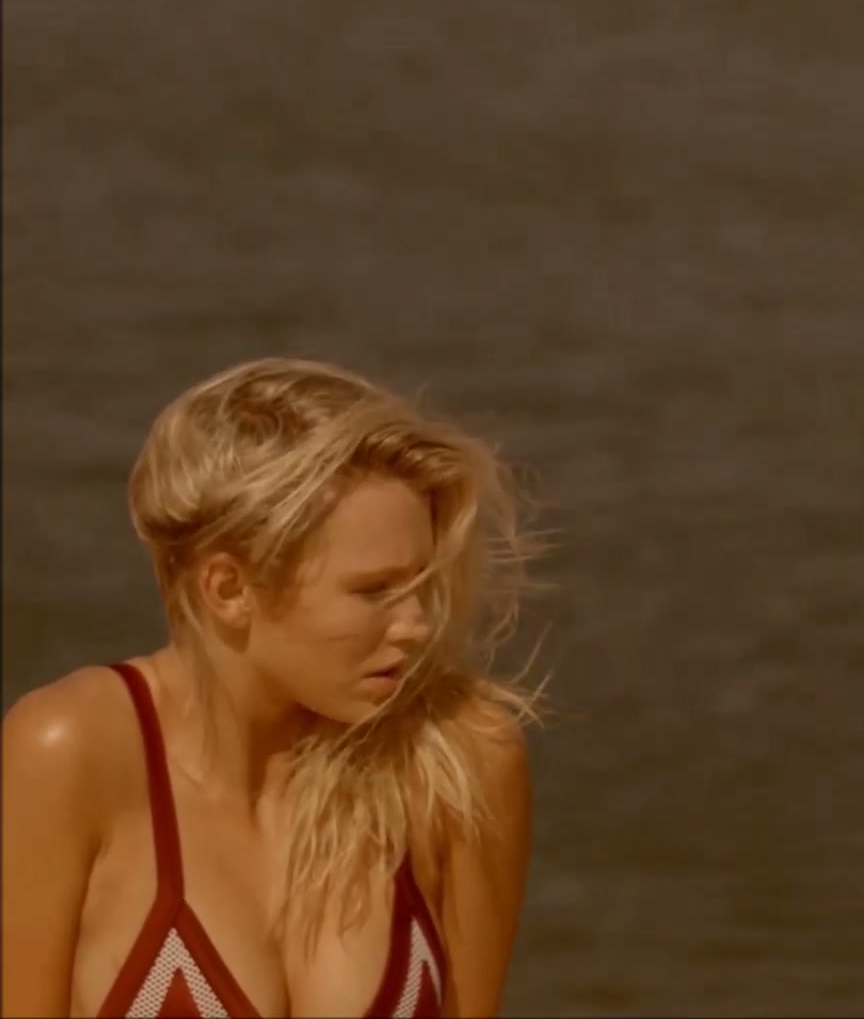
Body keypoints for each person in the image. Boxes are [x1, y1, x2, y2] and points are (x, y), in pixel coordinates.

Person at [1, 357, 547, 1018]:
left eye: (420, 585)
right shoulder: (70, 753)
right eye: (374, 591)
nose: (418, 625)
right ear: (229, 588)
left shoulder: (456, 759)